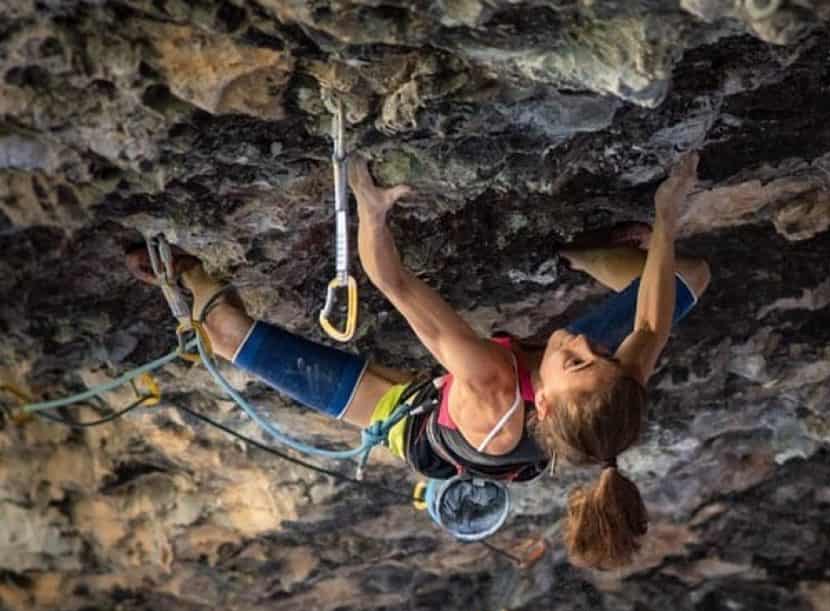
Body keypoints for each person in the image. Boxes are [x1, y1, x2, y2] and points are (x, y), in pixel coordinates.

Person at [126, 153, 710, 569]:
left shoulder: (489, 383)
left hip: (410, 419)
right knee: (689, 275)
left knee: (226, 335)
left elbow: (394, 283)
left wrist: (372, 212)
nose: (583, 343)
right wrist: (666, 215)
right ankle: (585, 250)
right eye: (601, 352)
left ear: (549, 403)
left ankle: (176, 271)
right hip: (524, 413)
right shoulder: (613, 391)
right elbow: (652, 323)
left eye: (582, 360)